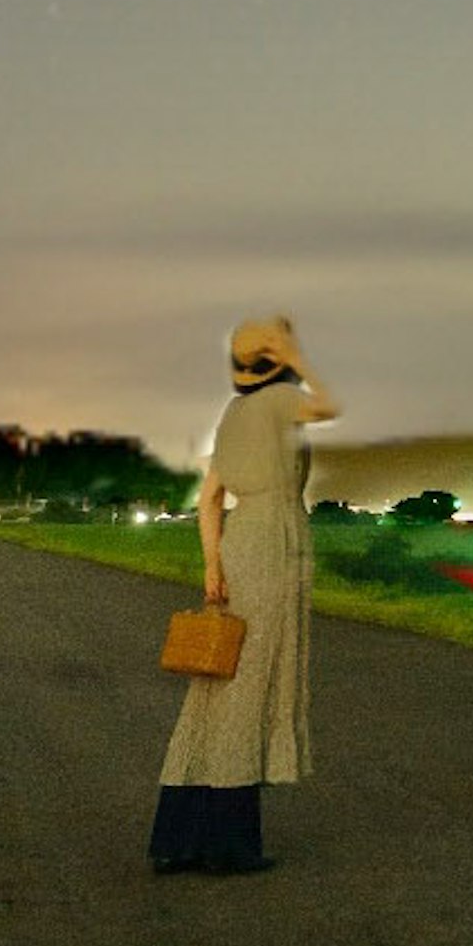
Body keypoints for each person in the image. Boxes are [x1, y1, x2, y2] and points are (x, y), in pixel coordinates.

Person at [150, 311, 336, 874]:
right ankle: (229, 846)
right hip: (274, 545)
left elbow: (209, 499)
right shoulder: (282, 404)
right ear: (278, 359)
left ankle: (178, 840)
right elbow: (329, 406)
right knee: (250, 690)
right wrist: (298, 360)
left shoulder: (232, 414)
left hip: (237, 544)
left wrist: (212, 565)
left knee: (214, 690)